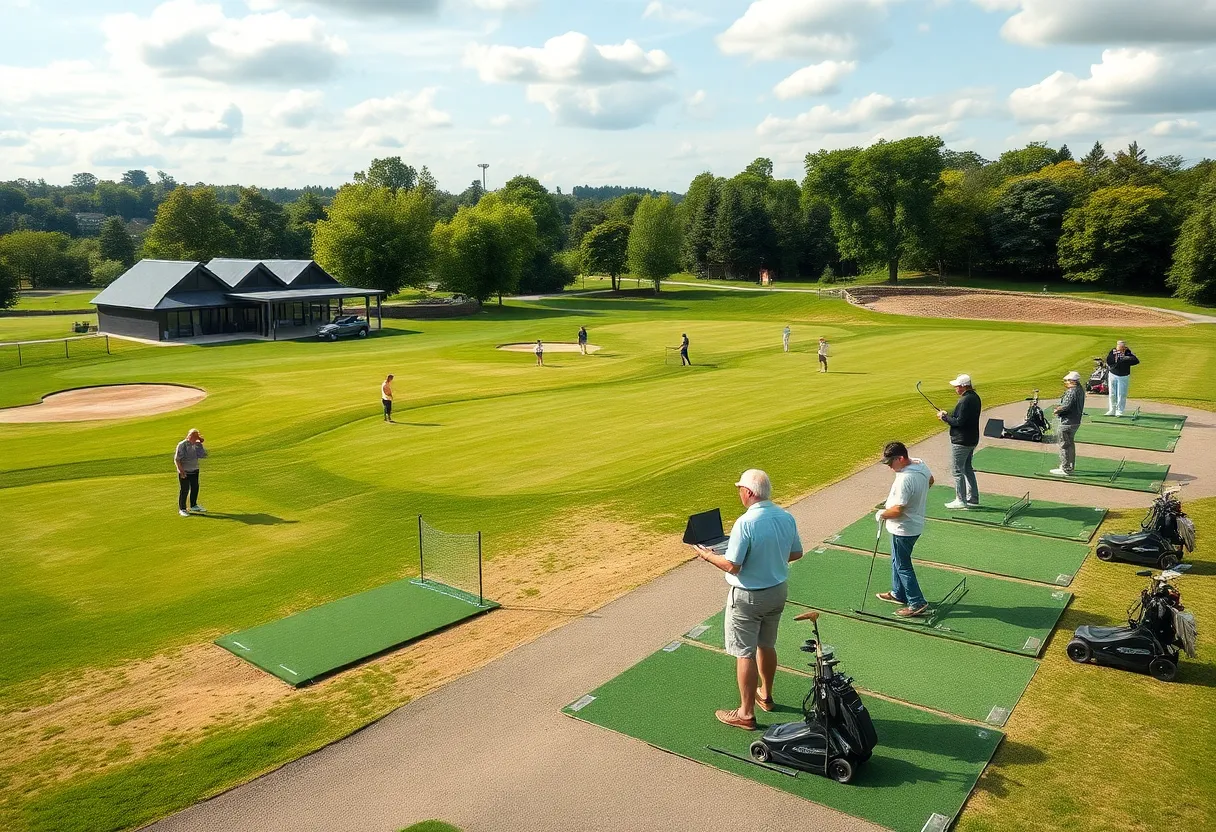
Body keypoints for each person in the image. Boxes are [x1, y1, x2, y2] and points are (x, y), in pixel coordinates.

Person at [694, 469, 803, 730]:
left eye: (741, 490)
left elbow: (733, 565)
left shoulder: (745, 522)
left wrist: (707, 556)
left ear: (749, 492)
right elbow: (795, 553)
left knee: (744, 653)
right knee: (767, 645)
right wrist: (769, 559)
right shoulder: (785, 516)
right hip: (777, 591)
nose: (739, 494)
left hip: (748, 596)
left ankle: (745, 713)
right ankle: (766, 695)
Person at [875, 441, 934, 618]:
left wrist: (882, 514)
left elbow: (897, 511)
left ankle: (917, 602)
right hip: (913, 524)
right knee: (897, 560)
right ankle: (898, 593)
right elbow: (931, 480)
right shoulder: (919, 464)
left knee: (903, 565)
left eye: (891, 463)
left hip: (904, 528)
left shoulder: (905, 479)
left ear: (900, 458)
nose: (890, 467)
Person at [937, 373, 981, 509]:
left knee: (957, 471)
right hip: (972, 438)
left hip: (961, 441)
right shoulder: (975, 397)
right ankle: (973, 498)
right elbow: (961, 416)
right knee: (967, 468)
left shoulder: (964, 400)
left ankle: (961, 500)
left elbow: (958, 422)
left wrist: (944, 418)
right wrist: (947, 415)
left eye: (957, 386)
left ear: (963, 386)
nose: (955, 388)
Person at [1052, 371, 1086, 477]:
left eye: (1067, 381)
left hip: (1067, 422)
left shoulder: (1071, 391)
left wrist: (1057, 410)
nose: (1065, 383)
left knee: (1064, 445)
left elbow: (1066, 406)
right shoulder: (1080, 390)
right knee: (1070, 444)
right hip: (1075, 421)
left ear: (1073, 381)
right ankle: (1070, 466)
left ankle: (1065, 468)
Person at [174, 429, 208, 517]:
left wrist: (199, 444)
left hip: (195, 470)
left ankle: (193, 505)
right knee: (184, 490)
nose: (196, 438)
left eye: (197, 437)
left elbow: (203, 455)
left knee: (195, 488)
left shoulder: (197, 444)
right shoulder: (182, 445)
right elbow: (177, 459)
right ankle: (182, 509)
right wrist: (181, 471)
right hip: (185, 471)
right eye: (194, 437)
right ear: (189, 436)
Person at [1105, 340, 1139, 417]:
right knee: (1112, 393)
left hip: (1123, 376)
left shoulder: (1128, 352)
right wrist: (1117, 360)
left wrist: (1126, 358)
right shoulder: (1113, 351)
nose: (1120, 349)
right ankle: (1112, 409)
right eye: (1119, 347)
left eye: (1122, 348)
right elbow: (1109, 361)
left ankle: (1119, 410)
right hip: (1113, 374)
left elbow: (1136, 361)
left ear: (1124, 347)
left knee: (1121, 394)